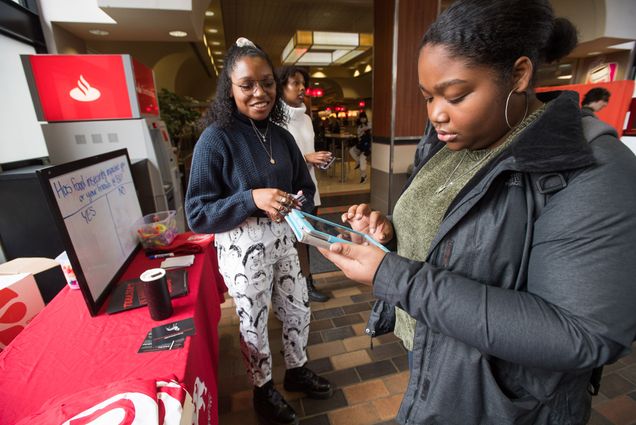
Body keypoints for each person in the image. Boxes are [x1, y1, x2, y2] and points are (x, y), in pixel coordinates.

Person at [319, 1, 636, 424]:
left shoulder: (588, 168)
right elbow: (455, 233)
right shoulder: (447, 142)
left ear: (519, 75)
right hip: (435, 354)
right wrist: (388, 235)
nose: (436, 114)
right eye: (428, 97)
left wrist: (389, 275)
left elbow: (578, 333)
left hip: (509, 400)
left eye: (456, 95)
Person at [185, 37, 332, 425]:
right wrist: (251, 198)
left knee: (298, 307)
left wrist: (299, 205)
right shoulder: (215, 139)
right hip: (240, 246)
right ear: (229, 89)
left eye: (267, 83)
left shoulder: (282, 135)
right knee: (253, 321)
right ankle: (263, 389)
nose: (259, 93)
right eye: (247, 84)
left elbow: (303, 184)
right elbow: (197, 213)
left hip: (284, 240)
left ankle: (297, 370)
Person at [277, 65, 332, 302]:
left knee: (306, 239)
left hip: (310, 187)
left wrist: (317, 160)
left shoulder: (307, 118)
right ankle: (290, 289)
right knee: (288, 243)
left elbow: (306, 152)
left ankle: (307, 284)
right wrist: (307, 158)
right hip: (288, 192)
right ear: (281, 87)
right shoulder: (275, 120)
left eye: (303, 84)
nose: (301, 89)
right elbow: (278, 160)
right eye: (295, 83)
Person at [349, 112, 372, 183]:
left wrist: (365, 130)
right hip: (361, 145)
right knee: (351, 151)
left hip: (368, 147)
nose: (363, 119)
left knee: (362, 163)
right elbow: (359, 136)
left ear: (366, 118)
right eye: (361, 118)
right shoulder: (359, 127)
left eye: (364, 118)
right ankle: (358, 161)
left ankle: (363, 176)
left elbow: (370, 130)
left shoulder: (369, 124)